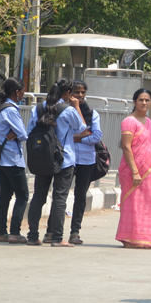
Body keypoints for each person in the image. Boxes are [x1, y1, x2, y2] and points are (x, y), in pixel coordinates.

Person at [27, 79, 87, 246]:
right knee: (60, 197)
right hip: (64, 158)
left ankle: (32, 236)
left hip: (42, 158)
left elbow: (29, 131)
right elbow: (82, 128)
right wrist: (76, 106)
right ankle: (56, 238)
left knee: (38, 196)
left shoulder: (37, 108)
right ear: (67, 93)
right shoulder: (68, 110)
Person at [116, 88, 151, 249]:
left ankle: (146, 237)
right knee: (133, 204)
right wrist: (135, 171)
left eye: (147, 100)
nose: (144, 103)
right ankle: (130, 238)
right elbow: (126, 147)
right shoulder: (129, 122)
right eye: (141, 100)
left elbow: (150, 147)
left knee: (149, 204)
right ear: (135, 102)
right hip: (133, 170)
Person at [0, 78, 29, 244]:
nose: (24, 94)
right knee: (23, 195)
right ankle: (14, 231)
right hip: (12, 159)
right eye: (22, 91)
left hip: (2, 159)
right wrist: (17, 133)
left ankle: (1, 232)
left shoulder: (1, 107)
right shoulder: (11, 110)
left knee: (5, 195)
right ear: (16, 92)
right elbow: (23, 134)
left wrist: (15, 133)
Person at [69, 81, 102, 245]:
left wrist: (75, 138)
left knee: (80, 196)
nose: (80, 96)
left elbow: (95, 136)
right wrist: (82, 136)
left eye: (83, 92)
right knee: (59, 194)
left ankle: (75, 231)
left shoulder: (92, 114)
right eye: (76, 92)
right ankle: (53, 231)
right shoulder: (64, 112)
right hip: (67, 158)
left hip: (87, 160)